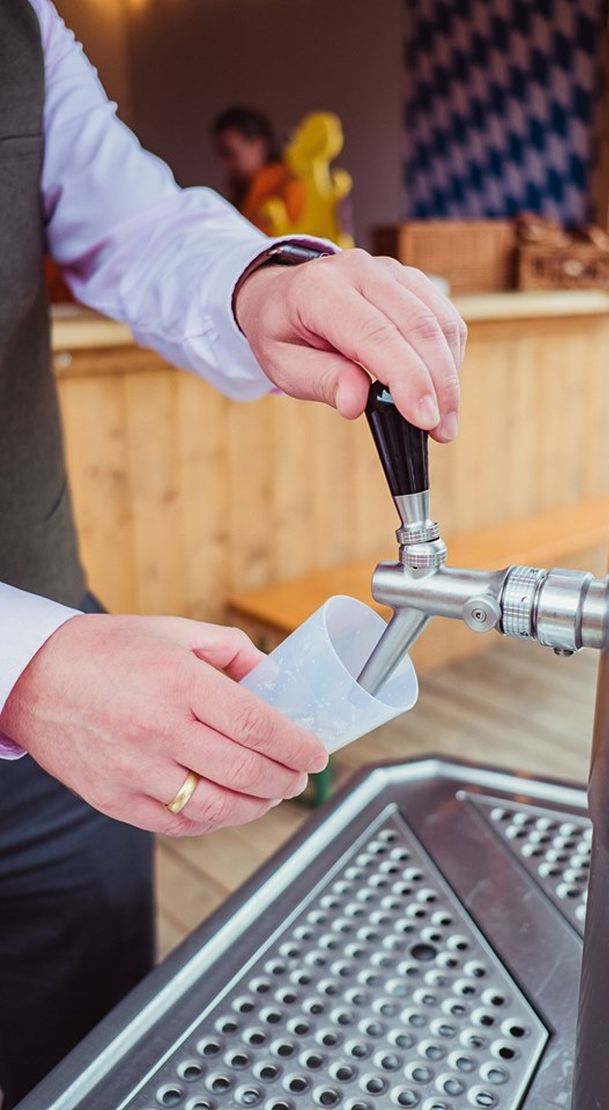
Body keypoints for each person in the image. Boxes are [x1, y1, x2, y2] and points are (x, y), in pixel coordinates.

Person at [0, 1, 465, 1104]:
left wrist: (266, 283)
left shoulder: (24, 29)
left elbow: (137, 225)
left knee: (88, 1048)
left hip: (58, 703)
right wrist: (21, 668)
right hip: (44, 672)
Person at [212, 104, 306, 234]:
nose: (225, 163)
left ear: (258, 145)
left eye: (230, 153)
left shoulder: (289, 186)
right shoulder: (240, 191)